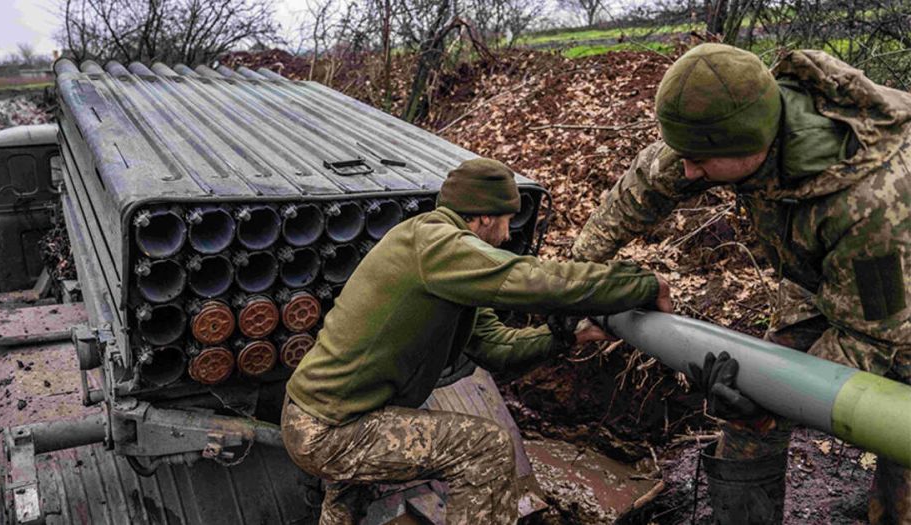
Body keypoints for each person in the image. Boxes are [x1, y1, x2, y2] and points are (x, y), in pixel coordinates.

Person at [571, 43, 910, 524]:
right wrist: (575, 274)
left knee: (901, 451)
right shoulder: (731, 121)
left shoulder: (874, 203)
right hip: (818, 281)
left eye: (700, 160)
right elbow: (645, 185)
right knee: (748, 421)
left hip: (896, 302)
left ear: (753, 146)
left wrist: (772, 398)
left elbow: (872, 338)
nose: (689, 171)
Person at [281, 157, 672, 524]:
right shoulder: (439, 245)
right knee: (486, 447)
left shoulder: (445, 262)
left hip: (326, 415)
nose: (505, 236)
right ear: (484, 217)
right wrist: (638, 284)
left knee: (347, 506)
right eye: (506, 222)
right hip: (331, 428)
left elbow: (496, 348)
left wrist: (568, 334)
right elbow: (534, 280)